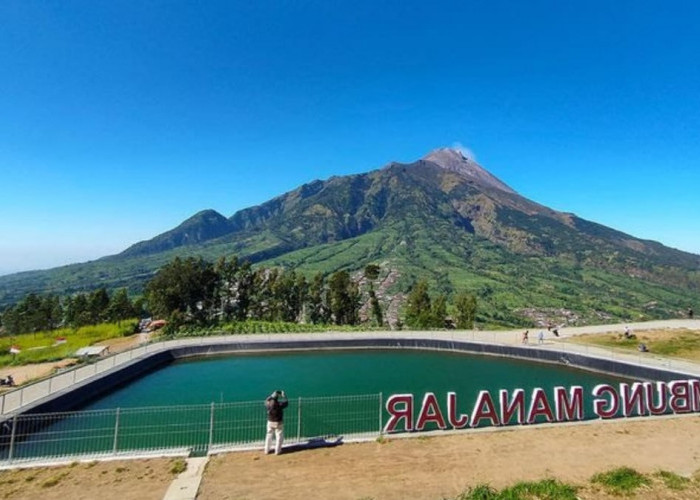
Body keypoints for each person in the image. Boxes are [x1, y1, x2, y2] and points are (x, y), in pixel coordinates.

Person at [264, 390, 289, 455]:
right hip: (278, 422)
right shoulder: (279, 404)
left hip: (270, 422)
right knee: (279, 436)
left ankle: (266, 450)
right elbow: (286, 403)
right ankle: (277, 451)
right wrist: (284, 396)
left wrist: (271, 396)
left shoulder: (268, 404)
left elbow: (265, 401)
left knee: (269, 436)